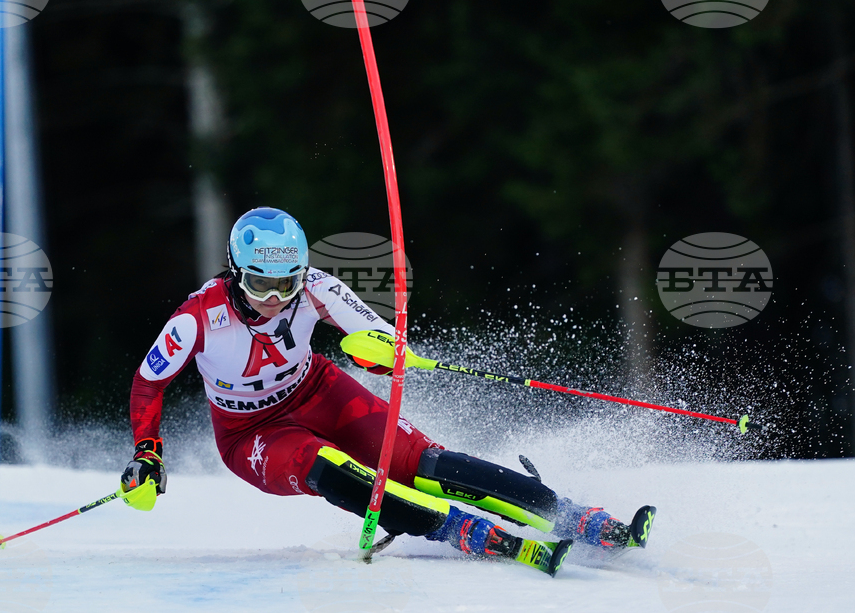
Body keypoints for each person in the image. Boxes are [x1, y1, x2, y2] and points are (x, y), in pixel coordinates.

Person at [120, 206, 653, 571]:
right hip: (250, 433)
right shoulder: (197, 316)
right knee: (323, 462)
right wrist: (148, 454)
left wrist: (377, 350)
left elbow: (376, 337)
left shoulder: (317, 289)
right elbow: (149, 383)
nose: (276, 299)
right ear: (237, 272)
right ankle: (458, 530)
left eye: (288, 284)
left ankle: (570, 514)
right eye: (262, 284)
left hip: (318, 393)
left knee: (423, 463)